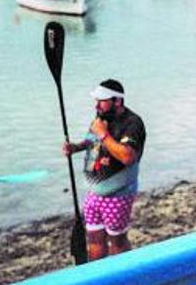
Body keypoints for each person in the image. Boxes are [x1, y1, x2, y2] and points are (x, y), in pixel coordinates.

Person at [62, 79, 146, 261]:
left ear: (117, 101)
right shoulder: (100, 120)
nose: (97, 105)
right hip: (94, 192)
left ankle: (123, 278)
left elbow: (127, 157)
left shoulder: (133, 123)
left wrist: (103, 133)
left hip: (118, 194)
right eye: (96, 100)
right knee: (94, 239)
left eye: (102, 100)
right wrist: (75, 147)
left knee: (117, 241)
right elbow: (92, 142)